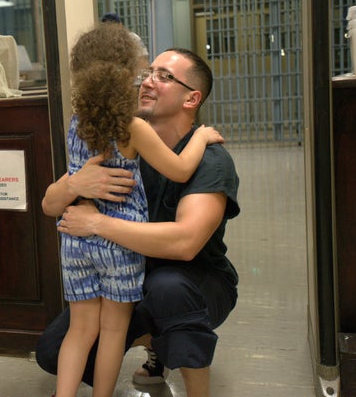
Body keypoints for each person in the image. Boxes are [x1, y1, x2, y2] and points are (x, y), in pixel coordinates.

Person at [38, 48, 240, 397]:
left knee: (168, 289)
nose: (147, 81)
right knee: (53, 350)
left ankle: (190, 382)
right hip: (131, 272)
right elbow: (48, 204)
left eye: (163, 76)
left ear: (192, 98)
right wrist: (74, 183)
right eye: (147, 72)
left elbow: (185, 243)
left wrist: (97, 223)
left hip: (197, 282)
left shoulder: (210, 160)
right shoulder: (122, 142)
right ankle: (157, 341)